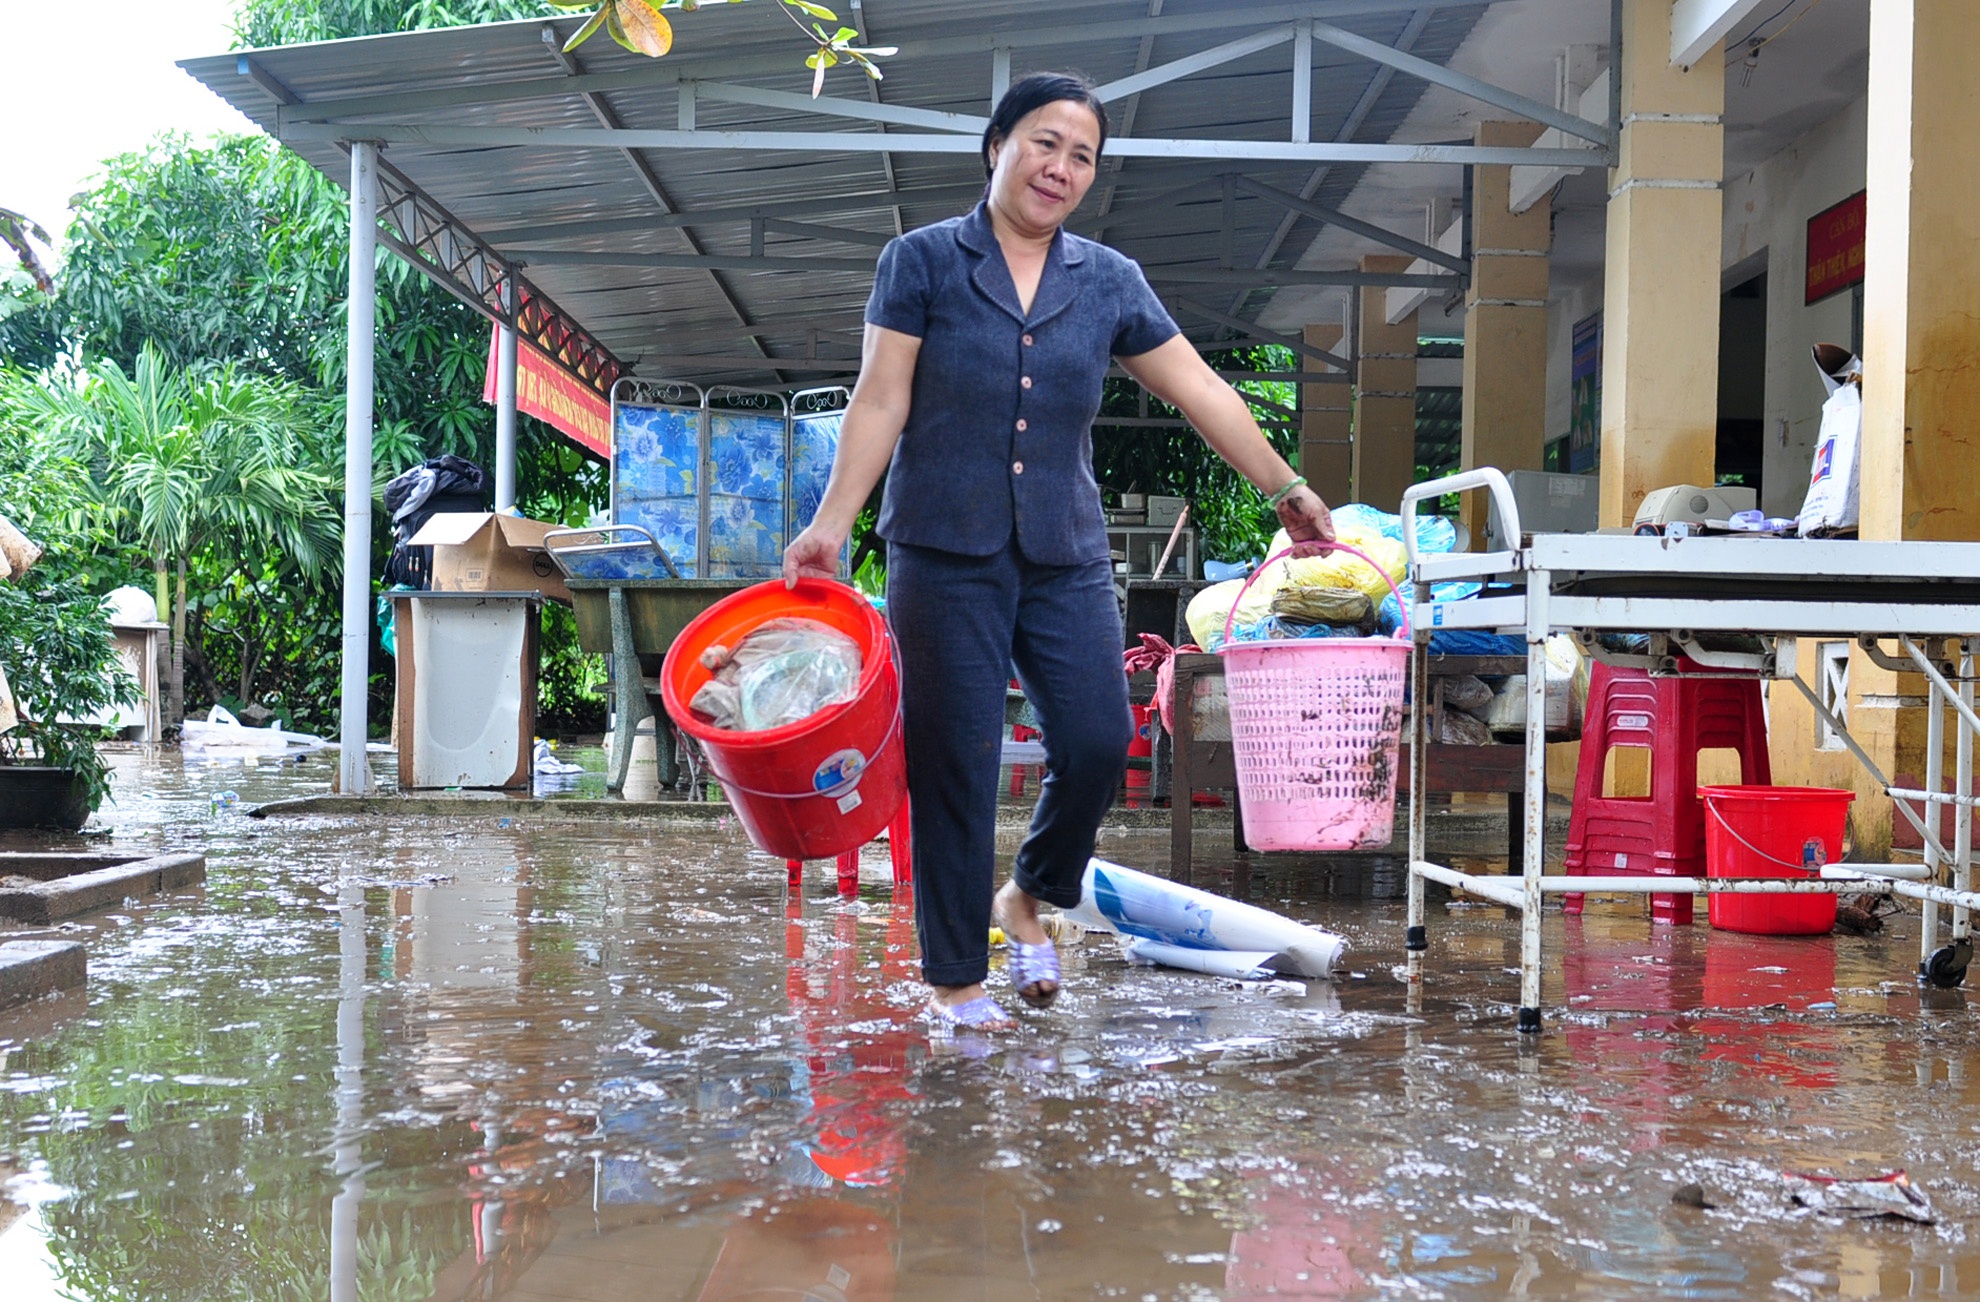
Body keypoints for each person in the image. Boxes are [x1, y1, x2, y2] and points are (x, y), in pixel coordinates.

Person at [784, 72, 1335, 1031]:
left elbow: (1200, 388)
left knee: (1092, 737)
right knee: (954, 761)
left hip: (1064, 550)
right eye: (1045, 143)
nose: (1061, 168)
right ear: (995, 146)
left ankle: (1028, 895)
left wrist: (1284, 489)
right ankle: (957, 980)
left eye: (1082, 155)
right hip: (941, 547)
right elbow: (881, 399)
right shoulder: (920, 261)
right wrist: (832, 522)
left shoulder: (1107, 280)